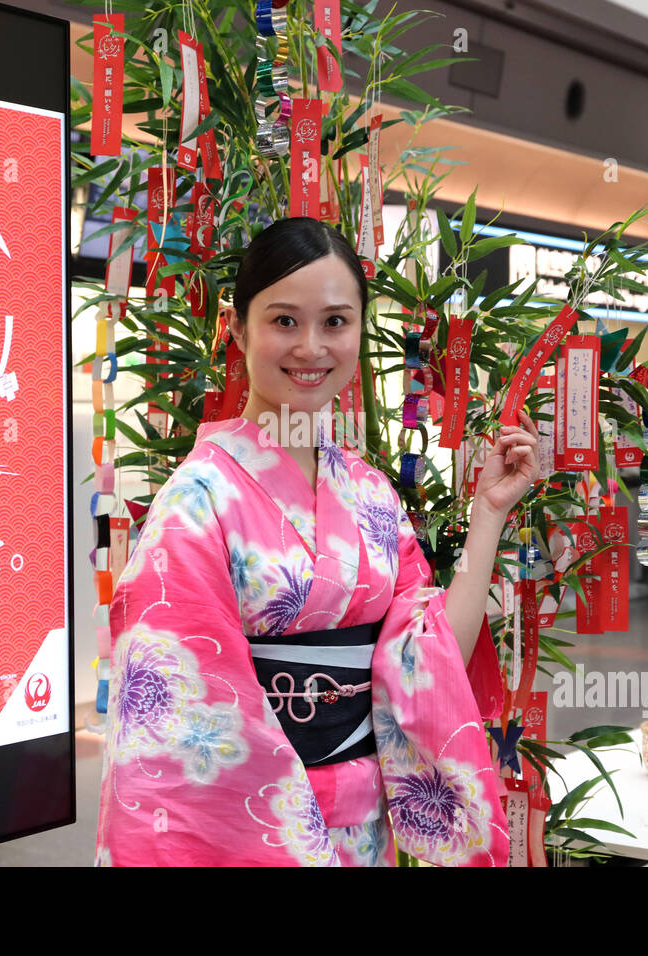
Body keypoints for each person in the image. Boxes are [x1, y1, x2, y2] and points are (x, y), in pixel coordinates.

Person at [94, 217, 539, 866]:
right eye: (283, 321)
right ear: (237, 328)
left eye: (335, 321)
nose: (311, 346)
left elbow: (433, 658)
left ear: (360, 329)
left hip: (366, 831)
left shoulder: (371, 495)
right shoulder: (197, 503)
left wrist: (488, 513)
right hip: (258, 831)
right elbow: (177, 726)